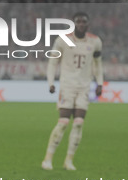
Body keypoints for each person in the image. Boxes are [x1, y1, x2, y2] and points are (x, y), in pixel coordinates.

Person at [41, 12, 103, 171]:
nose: (81, 24)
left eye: (84, 22)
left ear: (88, 25)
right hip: (67, 86)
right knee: (63, 123)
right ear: (73, 24)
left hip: (84, 87)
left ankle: (68, 160)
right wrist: (50, 82)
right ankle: (48, 159)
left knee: (78, 123)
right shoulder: (62, 40)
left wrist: (100, 83)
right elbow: (53, 62)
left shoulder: (95, 41)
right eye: (78, 22)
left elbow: (98, 63)